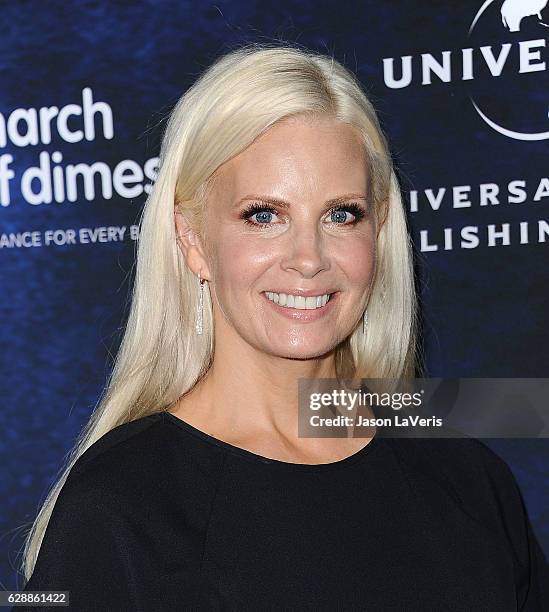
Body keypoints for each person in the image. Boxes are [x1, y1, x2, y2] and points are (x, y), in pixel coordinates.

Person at [19, 43, 548, 611]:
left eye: (342, 214)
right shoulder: (117, 509)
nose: (308, 257)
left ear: (380, 230)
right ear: (192, 240)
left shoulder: (466, 477)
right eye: (263, 215)